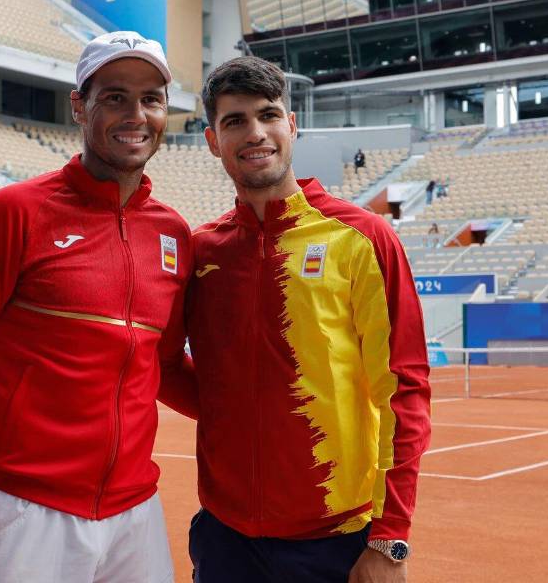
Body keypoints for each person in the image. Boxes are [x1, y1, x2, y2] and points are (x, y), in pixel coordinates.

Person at [0, 31, 193, 583]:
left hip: (136, 516)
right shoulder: (13, 213)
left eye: (150, 99)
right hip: (23, 511)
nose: (135, 114)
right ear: (78, 106)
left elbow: (162, 369)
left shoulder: (174, 233)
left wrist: (264, 414)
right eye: (114, 97)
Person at [161, 56, 432, 583]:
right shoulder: (202, 250)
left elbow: (404, 389)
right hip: (225, 537)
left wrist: (390, 537)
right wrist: (233, 413)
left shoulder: (361, 237)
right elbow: (166, 365)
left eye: (268, 115)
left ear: (292, 125)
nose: (255, 132)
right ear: (213, 141)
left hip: (337, 542)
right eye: (234, 121)